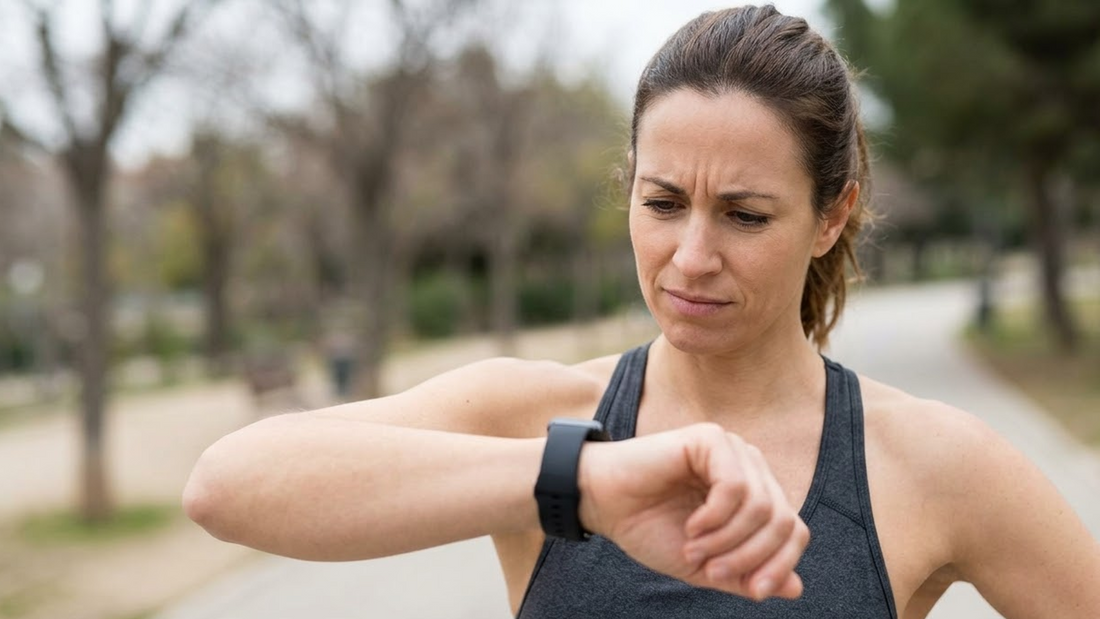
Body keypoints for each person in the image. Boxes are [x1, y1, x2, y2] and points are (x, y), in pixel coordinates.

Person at [183, 5, 1100, 618]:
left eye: (744, 215)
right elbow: (226, 485)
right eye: (663, 204)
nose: (690, 257)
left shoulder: (930, 461)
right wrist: (583, 485)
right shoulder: (543, 417)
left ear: (832, 216)